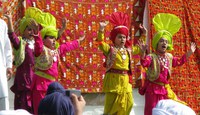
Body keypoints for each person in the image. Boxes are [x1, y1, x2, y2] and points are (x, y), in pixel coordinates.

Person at [24, 7, 85, 114]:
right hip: (40, 86)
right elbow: (38, 44)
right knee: (40, 111)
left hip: (51, 86)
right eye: (51, 37)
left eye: (54, 38)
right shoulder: (40, 50)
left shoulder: (56, 51)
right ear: (43, 39)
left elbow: (66, 46)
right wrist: (37, 34)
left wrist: (78, 41)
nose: (54, 40)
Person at [138, 13, 196, 115]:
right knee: (152, 112)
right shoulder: (152, 57)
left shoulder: (169, 57)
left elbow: (179, 61)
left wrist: (189, 52)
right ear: (156, 43)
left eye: (166, 41)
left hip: (165, 90)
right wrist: (142, 53)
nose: (164, 43)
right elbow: (144, 63)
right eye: (161, 41)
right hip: (153, 90)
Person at [97, 12, 147, 115]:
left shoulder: (128, 50)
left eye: (124, 37)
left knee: (128, 103)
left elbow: (138, 48)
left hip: (125, 81)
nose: (122, 39)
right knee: (111, 107)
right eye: (119, 37)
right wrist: (101, 30)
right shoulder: (110, 49)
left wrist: (144, 34)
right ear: (114, 38)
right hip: (113, 81)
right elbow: (100, 43)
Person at [4, 13, 37, 113]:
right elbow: (12, 36)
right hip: (23, 82)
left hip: (34, 82)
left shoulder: (38, 44)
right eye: (29, 29)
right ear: (23, 31)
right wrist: (9, 20)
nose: (31, 32)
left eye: (33, 29)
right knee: (22, 109)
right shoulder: (21, 43)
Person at [0, 18, 13, 110]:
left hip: (0, 68)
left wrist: (9, 65)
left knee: (3, 102)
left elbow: (7, 47)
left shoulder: (2, 24)